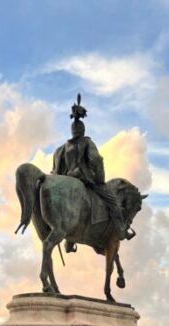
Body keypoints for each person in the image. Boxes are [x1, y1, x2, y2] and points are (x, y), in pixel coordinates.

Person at [52, 95, 128, 252]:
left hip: (65, 179)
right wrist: (99, 180)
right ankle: (121, 230)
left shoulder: (60, 149)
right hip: (84, 178)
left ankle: (69, 242)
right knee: (113, 201)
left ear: (72, 131)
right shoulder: (87, 142)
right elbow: (97, 160)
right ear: (83, 130)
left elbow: (54, 171)